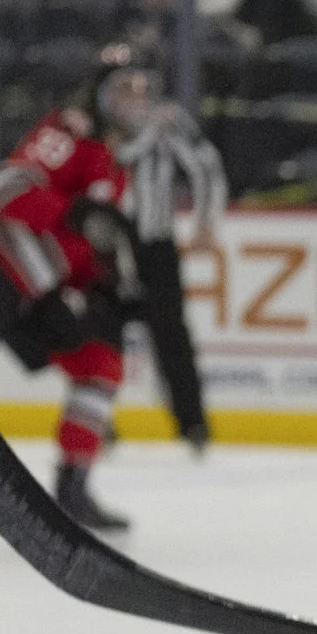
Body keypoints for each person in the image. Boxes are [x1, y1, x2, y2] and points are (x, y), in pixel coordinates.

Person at [0, 49, 167, 531]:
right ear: (98, 94)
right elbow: (9, 188)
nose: (133, 102)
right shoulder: (68, 131)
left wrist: (113, 288)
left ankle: (73, 490)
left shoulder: (116, 171)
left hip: (30, 291)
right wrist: (70, 211)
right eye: (124, 89)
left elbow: (81, 252)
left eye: (143, 91)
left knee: (100, 354)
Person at [114, 97, 228, 452]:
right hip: (109, 240)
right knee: (99, 329)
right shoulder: (101, 119)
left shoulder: (166, 118)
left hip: (156, 243)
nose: (134, 90)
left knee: (171, 331)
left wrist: (207, 221)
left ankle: (191, 421)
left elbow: (206, 163)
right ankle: (93, 417)